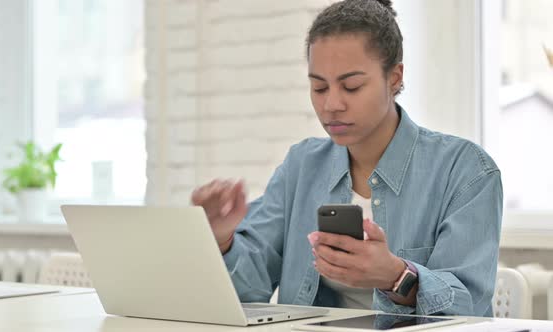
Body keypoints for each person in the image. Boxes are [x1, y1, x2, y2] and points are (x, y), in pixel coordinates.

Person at [190, 0, 502, 317]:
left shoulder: (466, 170)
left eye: (351, 86)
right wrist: (221, 239)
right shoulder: (302, 165)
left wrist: (396, 276)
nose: (332, 104)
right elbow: (249, 290)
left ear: (394, 77)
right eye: (319, 87)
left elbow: (469, 306)